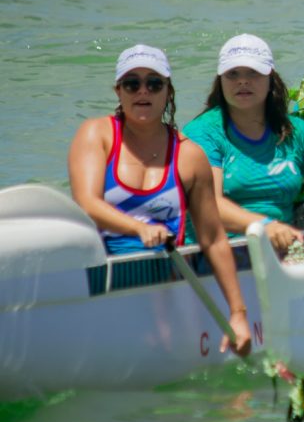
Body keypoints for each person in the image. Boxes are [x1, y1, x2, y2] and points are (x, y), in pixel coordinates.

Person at [68, 45, 251, 355]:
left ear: (168, 91)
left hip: (162, 279)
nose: (143, 91)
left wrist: (238, 314)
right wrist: (138, 228)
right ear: (118, 91)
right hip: (104, 274)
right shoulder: (95, 135)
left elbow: (213, 238)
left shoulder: (190, 157)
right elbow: (87, 203)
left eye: (154, 83)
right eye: (132, 83)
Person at [183, 34, 304, 252]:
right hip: (213, 257)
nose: (242, 81)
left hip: (282, 253)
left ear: (271, 79)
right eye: (232, 73)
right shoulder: (203, 133)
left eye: (253, 73)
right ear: (220, 81)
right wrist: (264, 226)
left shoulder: (297, 133)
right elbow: (208, 205)